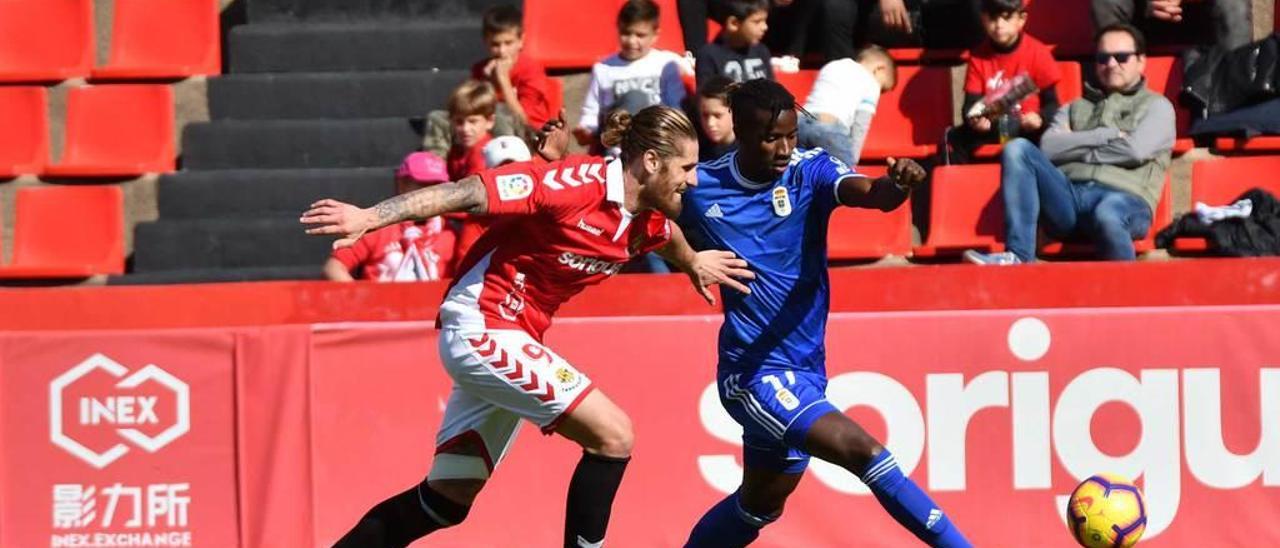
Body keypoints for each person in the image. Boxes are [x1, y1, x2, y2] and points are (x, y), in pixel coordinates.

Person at [302, 105, 755, 548]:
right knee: (614, 434)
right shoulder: (572, 184)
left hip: (513, 336)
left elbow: (663, 235)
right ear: (652, 161)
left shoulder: (644, 218)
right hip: (482, 324)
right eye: (687, 167)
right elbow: (466, 192)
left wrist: (693, 261)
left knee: (447, 499)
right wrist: (369, 217)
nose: (693, 180)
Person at [678, 79, 971, 547]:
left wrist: (896, 185)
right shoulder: (701, 187)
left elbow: (870, 193)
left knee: (758, 508)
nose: (784, 147)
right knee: (866, 452)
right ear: (739, 130)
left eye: (791, 134)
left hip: (807, 369)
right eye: (770, 137)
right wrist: (688, 259)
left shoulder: (808, 171)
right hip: (754, 373)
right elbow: (642, 217)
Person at [964, 23, 1175, 265]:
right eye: (1103, 58)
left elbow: (1135, 150)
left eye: (1122, 57)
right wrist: (1107, 135)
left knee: (1107, 213)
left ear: (1141, 61)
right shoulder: (1074, 107)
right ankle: (1018, 256)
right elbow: (1050, 148)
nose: (1112, 64)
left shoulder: (1158, 106)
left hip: (1126, 200)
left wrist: (1074, 148)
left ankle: (1124, 292)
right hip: (1069, 199)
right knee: (1017, 149)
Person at [423, 5, 554, 156]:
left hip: (529, 137)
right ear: (486, 42)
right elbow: (466, 107)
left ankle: (502, 168)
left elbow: (522, 120)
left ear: (521, 40)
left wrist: (503, 79)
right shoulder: (480, 70)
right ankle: (434, 169)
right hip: (484, 128)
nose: (502, 51)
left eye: (508, 43)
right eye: (495, 44)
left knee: (498, 112)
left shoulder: (530, 70)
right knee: (438, 118)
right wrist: (485, 83)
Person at [942, 0, 1062, 164]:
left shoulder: (1038, 52)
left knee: (1053, 137)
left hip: (1027, 128)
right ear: (983, 19)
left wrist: (1040, 118)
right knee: (953, 138)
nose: (999, 25)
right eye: (992, 18)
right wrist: (976, 121)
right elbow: (969, 106)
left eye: (1006, 18)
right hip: (993, 128)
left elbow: (1053, 105)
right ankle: (963, 185)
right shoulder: (978, 56)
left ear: (1022, 19)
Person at [324, 152, 458, 282]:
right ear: (401, 185)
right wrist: (363, 301)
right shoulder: (377, 226)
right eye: (422, 186)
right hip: (380, 304)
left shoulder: (451, 234)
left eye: (436, 187)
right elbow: (334, 268)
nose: (430, 195)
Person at [575, 0, 689, 148]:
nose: (631, 41)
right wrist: (586, 131)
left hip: (658, 142)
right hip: (618, 149)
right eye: (625, 33)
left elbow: (677, 107)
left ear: (655, 35)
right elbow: (591, 112)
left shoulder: (666, 64)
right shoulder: (604, 69)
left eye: (640, 35)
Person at [798, 45, 897, 167]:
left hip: (800, 122)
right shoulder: (871, 82)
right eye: (883, 88)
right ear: (879, 69)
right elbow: (860, 125)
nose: (880, 91)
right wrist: (852, 161)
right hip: (830, 128)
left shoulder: (832, 65)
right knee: (844, 178)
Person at [1092, 0, 1251, 51]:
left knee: (1234, 3)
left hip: (1201, 13)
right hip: (1138, 15)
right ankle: (1115, 94)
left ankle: (1236, 91)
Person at [695, 0, 774, 89]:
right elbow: (708, 99)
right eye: (757, 21)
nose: (765, 27)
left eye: (764, 21)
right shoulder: (708, 55)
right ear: (733, 23)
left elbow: (773, 92)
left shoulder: (761, 51)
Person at [695, 75, 739, 162]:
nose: (710, 123)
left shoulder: (749, 153)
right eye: (705, 115)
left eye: (717, 116)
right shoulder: (697, 152)